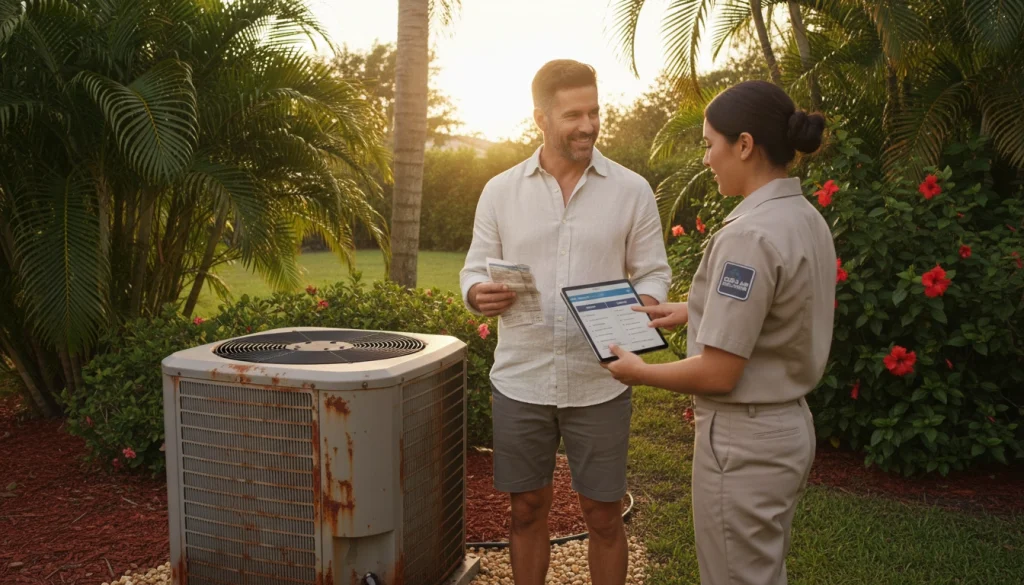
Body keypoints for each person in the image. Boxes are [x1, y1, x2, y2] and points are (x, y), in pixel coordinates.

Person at [602, 80, 833, 585]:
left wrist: (640, 372)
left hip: (743, 443)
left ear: (744, 145)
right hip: (786, 431)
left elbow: (720, 372)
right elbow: (781, 306)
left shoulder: (749, 234)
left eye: (710, 145)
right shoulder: (803, 216)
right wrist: (692, 308)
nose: (707, 159)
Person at [459, 59, 671, 585]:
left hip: (600, 381)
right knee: (525, 509)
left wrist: (638, 309)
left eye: (594, 112)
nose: (588, 125)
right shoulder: (500, 191)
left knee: (603, 513)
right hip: (521, 378)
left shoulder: (632, 190)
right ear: (541, 118)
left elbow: (653, 271)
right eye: (573, 114)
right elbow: (474, 266)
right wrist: (477, 292)